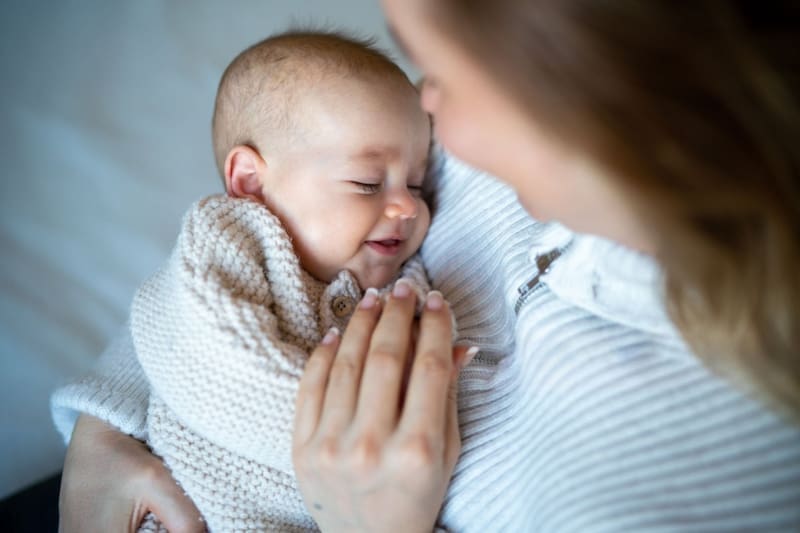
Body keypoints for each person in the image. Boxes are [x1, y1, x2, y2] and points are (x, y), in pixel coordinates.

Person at [54, 1, 800, 532]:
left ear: (571, 90)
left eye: (438, 67)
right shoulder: (442, 153)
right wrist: (102, 431)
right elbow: (214, 284)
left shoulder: (694, 481)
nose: (425, 102)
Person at [52, 30, 471, 532]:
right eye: (366, 182)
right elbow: (206, 356)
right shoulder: (230, 243)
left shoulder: (405, 281)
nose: (407, 206)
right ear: (251, 184)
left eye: (417, 185)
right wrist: (389, 417)